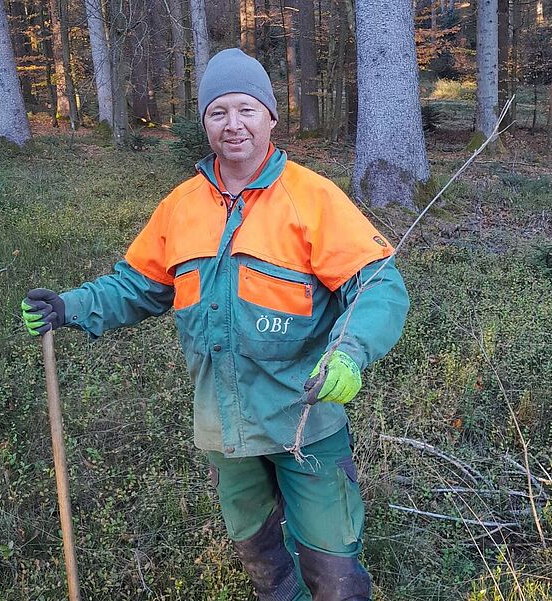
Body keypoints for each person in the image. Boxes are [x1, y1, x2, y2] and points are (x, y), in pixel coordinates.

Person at [21, 48, 409, 601]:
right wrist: (71, 306)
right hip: (224, 429)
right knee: (264, 562)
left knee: (335, 573)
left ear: (270, 116)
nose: (233, 125)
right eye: (218, 112)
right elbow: (138, 285)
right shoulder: (181, 207)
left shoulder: (312, 198)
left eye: (246, 109)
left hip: (305, 423)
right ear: (204, 122)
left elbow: (379, 286)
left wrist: (349, 352)